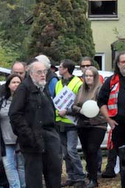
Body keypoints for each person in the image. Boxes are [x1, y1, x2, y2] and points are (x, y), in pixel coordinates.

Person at [9, 61, 62, 188]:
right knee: (34, 177)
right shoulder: (24, 88)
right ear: (31, 73)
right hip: (32, 139)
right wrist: (27, 135)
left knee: (54, 172)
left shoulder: (43, 87)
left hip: (49, 136)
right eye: (39, 72)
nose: (43, 75)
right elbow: (15, 114)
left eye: (44, 72)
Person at [66, 66, 106, 187]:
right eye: (86, 76)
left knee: (92, 149)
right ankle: (90, 175)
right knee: (86, 152)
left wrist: (93, 112)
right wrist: (82, 110)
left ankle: (94, 179)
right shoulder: (81, 89)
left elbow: (103, 107)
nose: (88, 78)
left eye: (90, 76)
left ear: (95, 77)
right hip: (83, 124)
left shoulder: (100, 90)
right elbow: (74, 106)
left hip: (97, 124)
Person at [54, 59, 85, 187]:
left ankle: (80, 177)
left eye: (60, 67)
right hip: (60, 122)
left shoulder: (78, 83)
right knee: (65, 153)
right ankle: (71, 176)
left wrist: (67, 111)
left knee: (72, 150)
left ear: (66, 69)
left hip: (72, 122)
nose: (59, 69)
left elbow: (80, 104)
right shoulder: (58, 83)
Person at [0, 74, 25, 188]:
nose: (16, 85)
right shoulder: (2, 101)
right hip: (6, 140)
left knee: (22, 166)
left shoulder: (26, 100)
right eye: (13, 82)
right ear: (8, 85)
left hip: (22, 140)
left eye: (18, 82)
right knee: (9, 167)